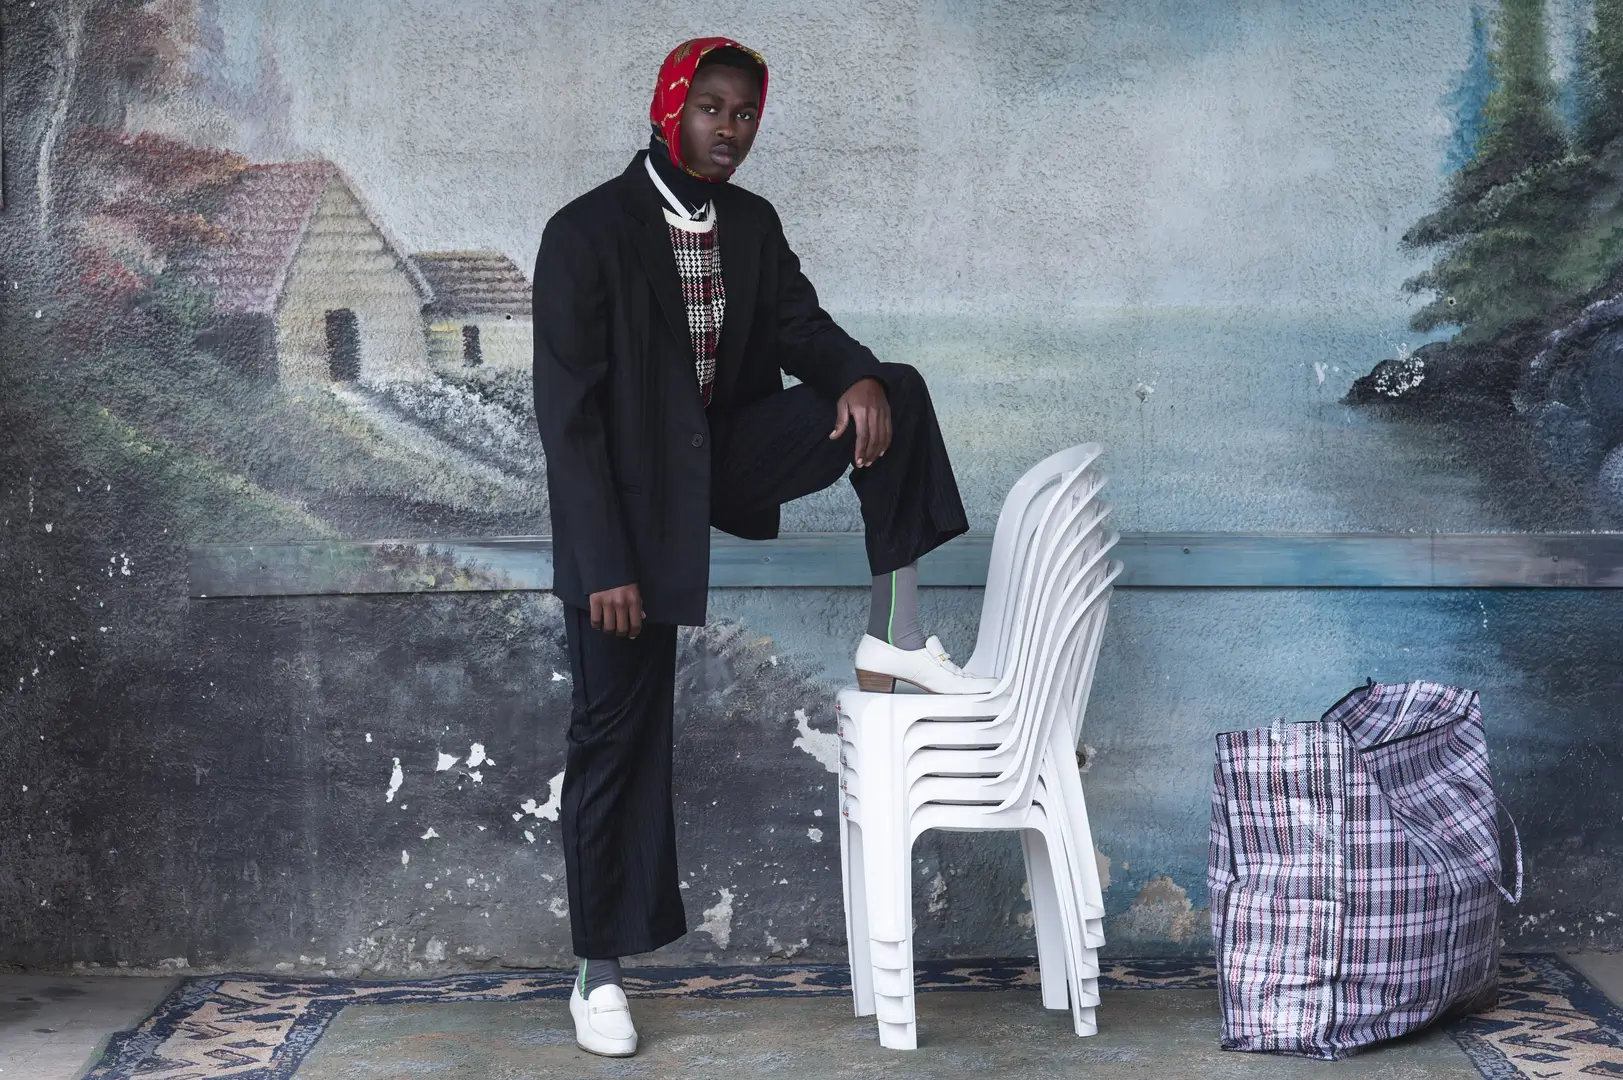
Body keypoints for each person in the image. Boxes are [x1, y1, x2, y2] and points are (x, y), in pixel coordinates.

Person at [532, 36, 994, 1058]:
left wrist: (857, 375)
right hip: (624, 505)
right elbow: (566, 420)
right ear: (670, 107)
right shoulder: (585, 233)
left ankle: (897, 634)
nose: (731, 128)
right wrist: (604, 562)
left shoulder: (751, 224)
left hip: (726, 458)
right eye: (713, 108)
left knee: (897, 390)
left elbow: (803, 328)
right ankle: (598, 971)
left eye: (746, 113)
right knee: (614, 727)